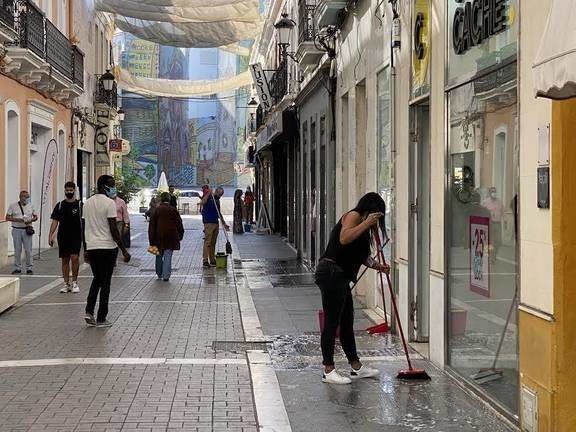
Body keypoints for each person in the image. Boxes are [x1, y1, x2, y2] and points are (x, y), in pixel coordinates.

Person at [315, 192, 390, 385]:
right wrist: (366, 223)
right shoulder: (354, 216)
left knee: (347, 320)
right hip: (331, 272)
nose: (376, 222)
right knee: (332, 322)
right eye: (376, 216)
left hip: (340, 275)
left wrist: (378, 266)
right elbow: (344, 238)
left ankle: (356, 366)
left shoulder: (364, 229)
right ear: (370, 210)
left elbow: (360, 255)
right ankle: (328, 369)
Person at [83, 175, 131, 328]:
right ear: (104, 186)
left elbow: (83, 228)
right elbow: (113, 228)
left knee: (97, 279)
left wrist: (85, 250)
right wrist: (123, 250)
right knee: (105, 283)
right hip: (107, 247)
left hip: (92, 246)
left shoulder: (87, 203)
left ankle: (89, 311)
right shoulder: (110, 203)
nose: (114, 188)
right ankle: (101, 318)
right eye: (111, 185)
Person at [48, 182, 82, 293]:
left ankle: (75, 282)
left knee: (75, 258)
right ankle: (66, 284)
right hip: (63, 236)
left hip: (76, 236)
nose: (69, 192)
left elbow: (85, 221)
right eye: (67, 190)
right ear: (64, 190)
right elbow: (55, 221)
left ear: (74, 191)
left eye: (71, 190)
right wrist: (50, 235)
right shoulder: (60, 205)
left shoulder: (80, 205)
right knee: (65, 260)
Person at [149, 192, 184, 282]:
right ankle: (166, 276)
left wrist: (151, 239)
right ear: (169, 199)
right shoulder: (173, 209)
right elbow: (179, 223)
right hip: (171, 236)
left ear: (161, 199)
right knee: (168, 255)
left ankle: (159, 273)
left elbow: (152, 226)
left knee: (158, 255)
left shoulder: (156, 210)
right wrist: (180, 235)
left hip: (158, 236)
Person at [5, 191, 37, 275]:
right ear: (20, 197)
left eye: (27, 197)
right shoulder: (13, 206)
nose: (26, 199)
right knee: (17, 249)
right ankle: (17, 268)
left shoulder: (31, 205)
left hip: (27, 229)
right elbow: (7, 217)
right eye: (24, 197)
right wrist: (18, 220)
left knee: (28, 250)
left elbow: (35, 216)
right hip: (16, 229)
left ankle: (29, 268)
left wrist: (32, 219)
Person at [201, 186, 229, 268]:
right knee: (207, 242)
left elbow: (219, 213)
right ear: (216, 192)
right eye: (219, 194)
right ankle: (205, 260)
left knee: (213, 242)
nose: (220, 196)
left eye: (221, 195)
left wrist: (224, 223)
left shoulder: (217, 200)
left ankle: (212, 260)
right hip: (208, 222)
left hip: (216, 223)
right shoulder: (209, 197)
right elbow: (202, 202)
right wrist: (209, 193)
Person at [482, 186, 504, 262]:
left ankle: (494, 254)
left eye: (495, 192)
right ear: (490, 193)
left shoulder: (500, 202)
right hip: (489, 223)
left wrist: (503, 221)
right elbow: (483, 213)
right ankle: (492, 257)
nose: (494, 193)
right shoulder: (485, 202)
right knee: (492, 241)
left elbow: (502, 212)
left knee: (498, 241)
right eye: (492, 192)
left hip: (498, 223)